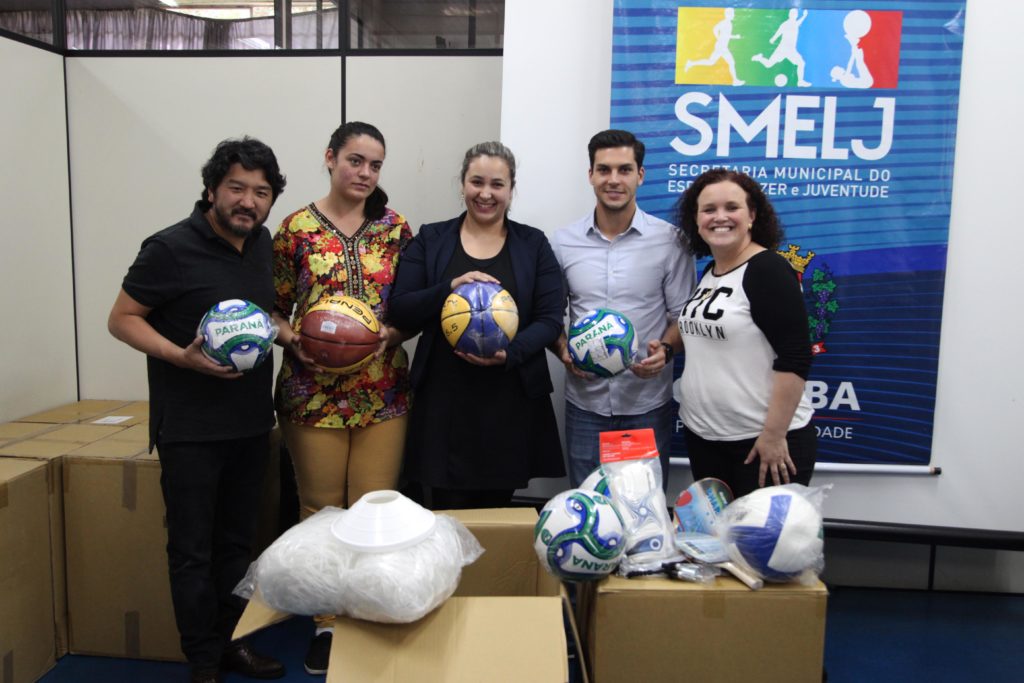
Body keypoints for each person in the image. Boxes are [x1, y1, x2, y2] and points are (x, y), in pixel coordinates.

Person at [108, 137, 287, 683]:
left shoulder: (261, 245)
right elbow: (122, 319)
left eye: (261, 192)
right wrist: (179, 357)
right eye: (237, 188)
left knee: (237, 545)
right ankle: (203, 661)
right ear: (211, 189)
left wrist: (294, 338)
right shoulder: (168, 248)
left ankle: (234, 644)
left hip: (250, 423)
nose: (248, 201)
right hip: (190, 430)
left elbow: (259, 316)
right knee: (192, 552)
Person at [270, 121, 412, 675]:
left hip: (382, 391)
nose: (365, 173)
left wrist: (391, 334)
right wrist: (293, 341)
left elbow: (412, 307)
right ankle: (327, 623)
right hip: (312, 394)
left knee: (374, 508)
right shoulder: (295, 230)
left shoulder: (395, 229)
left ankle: (368, 613)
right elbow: (273, 309)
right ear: (330, 158)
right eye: (355, 160)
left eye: (375, 165)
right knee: (321, 510)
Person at [389, 141, 565, 510]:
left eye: (497, 184)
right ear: (462, 184)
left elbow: (550, 319)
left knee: (496, 518)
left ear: (511, 189)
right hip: (443, 405)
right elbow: (402, 308)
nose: (486, 193)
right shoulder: (431, 239)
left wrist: (509, 354)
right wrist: (449, 287)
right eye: (477, 182)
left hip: (510, 404)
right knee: (445, 517)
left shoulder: (533, 244)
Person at [550, 129, 695, 489]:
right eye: (604, 169)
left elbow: (682, 317)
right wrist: (563, 349)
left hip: (646, 404)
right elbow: (550, 315)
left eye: (624, 170)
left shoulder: (670, 241)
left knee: (645, 509)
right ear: (591, 175)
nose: (613, 179)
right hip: (586, 404)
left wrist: (665, 350)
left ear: (640, 175)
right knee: (588, 507)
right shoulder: (562, 242)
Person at [672, 169, 816, 498]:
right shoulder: (711, 272)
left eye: (732, 207)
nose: (719, 217)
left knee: (756, 535)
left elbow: (795, 356)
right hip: (705, 439)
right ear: (696, 220)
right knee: (719, 533)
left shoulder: (768, 269)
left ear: (752, 216)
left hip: (760, 444)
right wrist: (666, 348)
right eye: (709, 209)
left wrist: (773, 435)